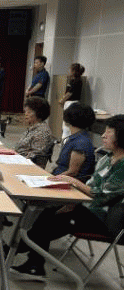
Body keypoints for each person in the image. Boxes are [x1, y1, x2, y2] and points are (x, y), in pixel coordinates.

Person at [12, 115, 124, 278]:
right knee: (45, 212)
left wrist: (73, 182)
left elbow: (100, 195)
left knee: (46, 220)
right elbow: (92, 185)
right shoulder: (108, 158)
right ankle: (29, 259)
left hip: (103, 218)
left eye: (109, 132)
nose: (103, 135)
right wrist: (74, 201)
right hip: (87, 207)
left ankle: (22, 253)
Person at [52, 103, 96, 183]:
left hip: (68, 182)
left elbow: (72, 172)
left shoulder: (81, 142)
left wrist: (51, 179)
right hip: (60, 176)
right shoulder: (77, 137)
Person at [14, 97, 54, 168]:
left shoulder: (42, 132)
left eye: (29, 112)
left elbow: (35, 156)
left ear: (39, 113)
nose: (26, 114)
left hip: (28, 166)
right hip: (19, 160)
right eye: (25, 111)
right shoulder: (33, 127)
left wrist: (15, 158)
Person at [60, 63, 85, 140]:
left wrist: (62, 100)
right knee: (66, 123)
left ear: (74, 71)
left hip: (71, 103)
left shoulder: (76, 81)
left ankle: (66, 140)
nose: (68, 71)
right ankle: (65, 139)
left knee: (67, 124)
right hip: (70, 103)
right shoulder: (72, 80)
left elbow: (70, 93)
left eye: (70, 69)